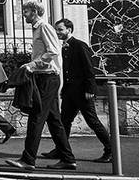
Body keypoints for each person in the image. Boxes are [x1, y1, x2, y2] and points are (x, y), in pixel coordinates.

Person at [5, 0, 76, 171]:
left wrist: (32, 65)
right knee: (53, 120)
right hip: (44, 77)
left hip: (48, 78)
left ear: (35, 11)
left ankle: (28, 160)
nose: (24, 14)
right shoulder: (38, 28)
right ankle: (68, 158)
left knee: (36, 117)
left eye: (26, 11)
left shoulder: (44, 27)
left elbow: (53, 50)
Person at [41, 18, 112, 163]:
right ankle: (61, 149)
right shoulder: (64, 47)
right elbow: (67, 72)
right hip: (70, 92)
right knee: (64, 122)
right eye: (56, 29)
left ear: (69, 30)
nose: (57, 32)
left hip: (82, 92)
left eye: (60, 29)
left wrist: (90, 89)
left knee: (92, 121)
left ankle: (111, 150)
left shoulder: (80, 46)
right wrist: (64, 90)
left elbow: (89, 69)